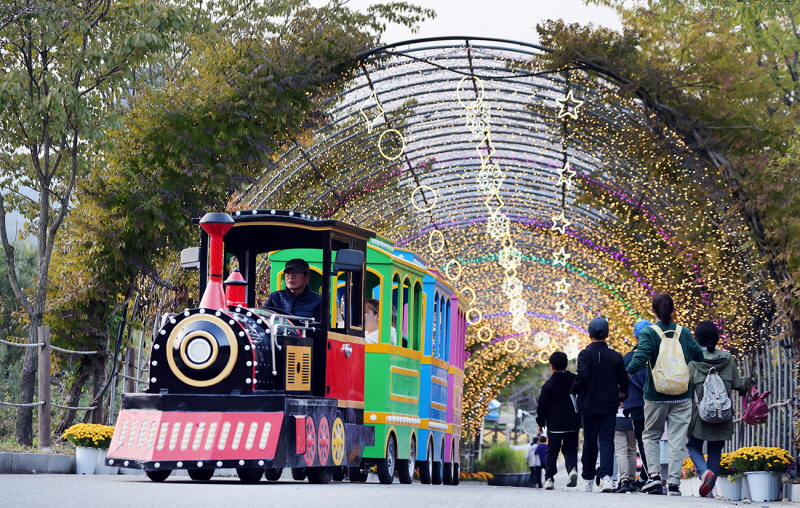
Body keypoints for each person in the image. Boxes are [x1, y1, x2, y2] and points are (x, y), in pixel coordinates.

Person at [625, 293, 705, 496]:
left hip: (655, 394)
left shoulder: (649, 332)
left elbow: (641, 356)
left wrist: (625, 375)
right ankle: (674, 484)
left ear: (654, 311)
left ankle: (653, 477)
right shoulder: (684, 332)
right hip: (682, 394)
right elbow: (699, 355)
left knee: (651, 435)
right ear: (673, 310)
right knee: (677, 439)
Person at [687, 320, 753, 498]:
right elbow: (738, 384)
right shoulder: (727, 358)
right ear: (716, 338)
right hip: (723, 414)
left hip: (700, 414)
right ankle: (710, 491)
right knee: (715, 451)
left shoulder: (693, 361)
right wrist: (749, 382)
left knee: (693, 446)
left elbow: (686, 387)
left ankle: (703, 473)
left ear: (697, 338)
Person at [571, 317, 628, 493]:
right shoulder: (615, 356)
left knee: (589, 441)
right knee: (606, 440)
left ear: (589, 335)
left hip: (588, 405)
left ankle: (588, 478)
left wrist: (574, 389)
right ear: (607, 334)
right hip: (609, 404)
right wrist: (622, 395)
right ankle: (606, 477)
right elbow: (623, 379)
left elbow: (583, 375)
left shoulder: (584, 354)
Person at [536, 351, 580, 490]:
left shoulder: (548, 385)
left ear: (551, 366)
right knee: (571, 449)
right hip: (573, 421)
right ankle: (572, 469)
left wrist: (540, 422)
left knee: (552, 451)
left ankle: (549, 478)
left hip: (555, 423)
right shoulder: (575, 380)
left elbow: (542, 406)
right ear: (567, 364)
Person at [621, 319, 653, 490]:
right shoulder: (657, 356)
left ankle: (648, 476)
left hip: (636, 403)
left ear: (636, 337)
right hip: (656, 402)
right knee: (653, 438)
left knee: (642, 440)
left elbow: (624, 381)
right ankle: (647, 475)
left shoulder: (628, 358)